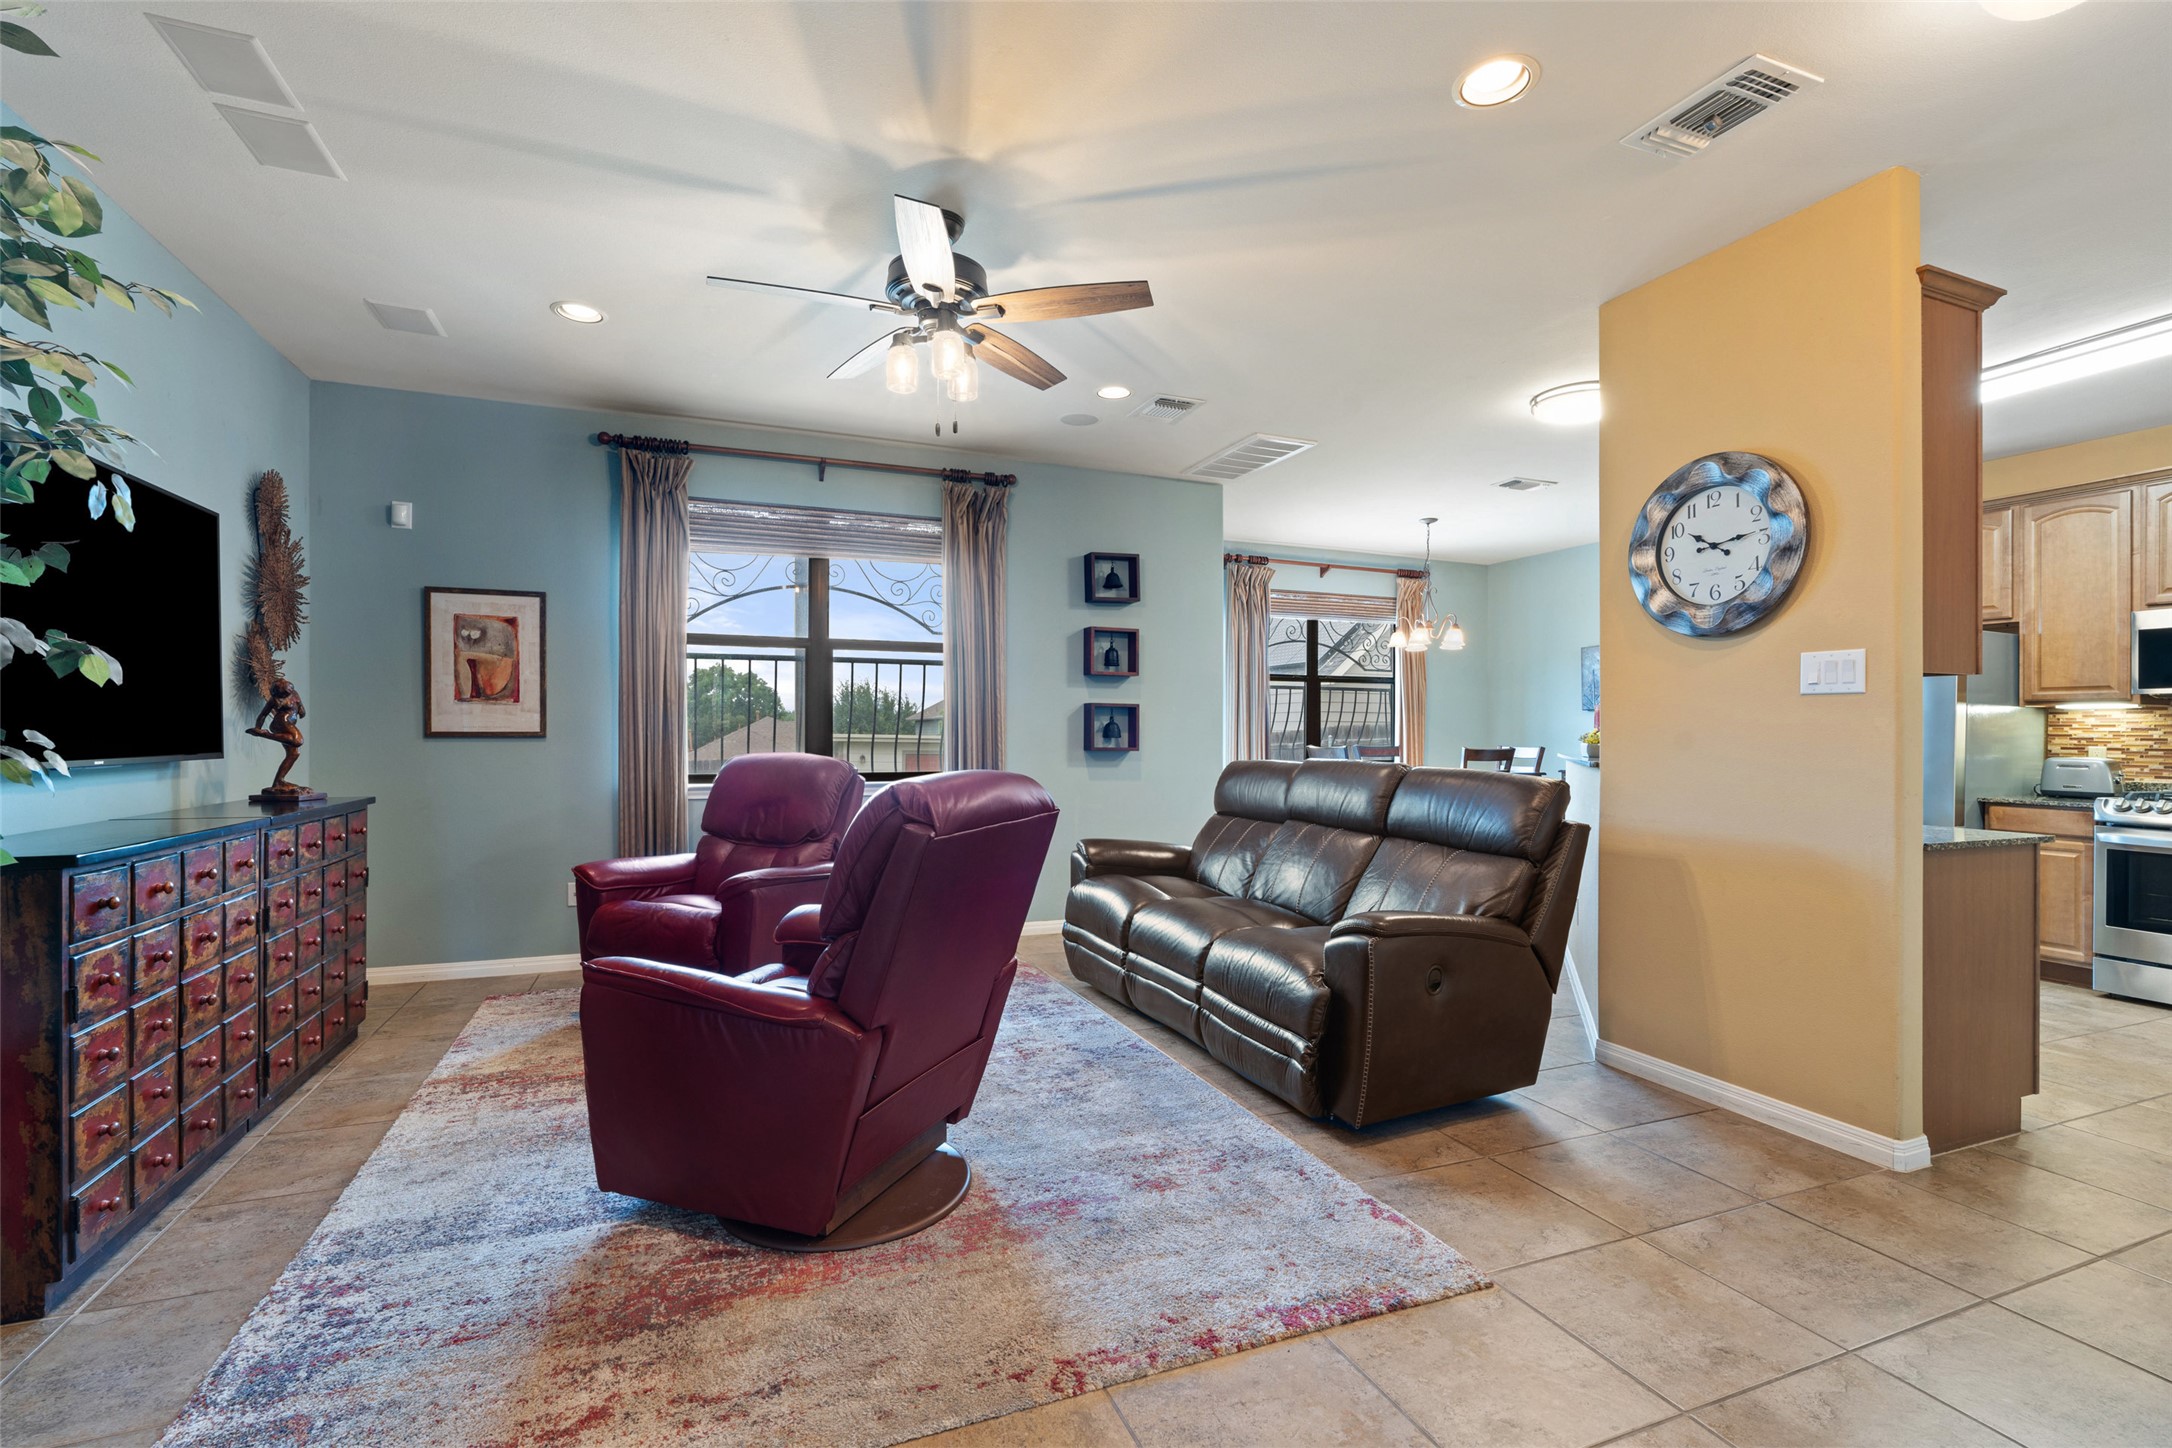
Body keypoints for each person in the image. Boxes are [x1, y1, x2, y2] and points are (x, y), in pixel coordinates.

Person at [247, 675, 308, 794]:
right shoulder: (275, 699)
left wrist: (301, 710)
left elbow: (301, 708)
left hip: (290, 724)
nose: (283, 697)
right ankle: (264, 734)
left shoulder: (294, 693)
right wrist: (258, 728)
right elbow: (263, 715)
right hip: (281, 723)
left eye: (286, 693)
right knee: (298, 741)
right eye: (281, 695)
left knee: (294, 754)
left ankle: (278, 782)